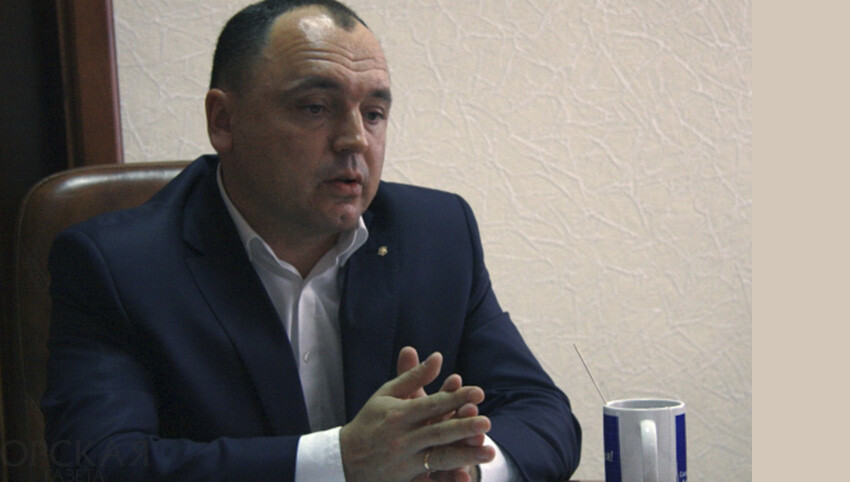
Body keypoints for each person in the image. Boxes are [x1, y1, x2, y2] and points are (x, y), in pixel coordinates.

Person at [41, 1, 581, 480]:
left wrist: (467, 465)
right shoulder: (118, 266)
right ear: (223, 120)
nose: (355, 140)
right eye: (315, 108)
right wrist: (340, 462)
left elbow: (543, 412)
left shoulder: (437, 233)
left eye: (374, 114)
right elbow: (98, 463)